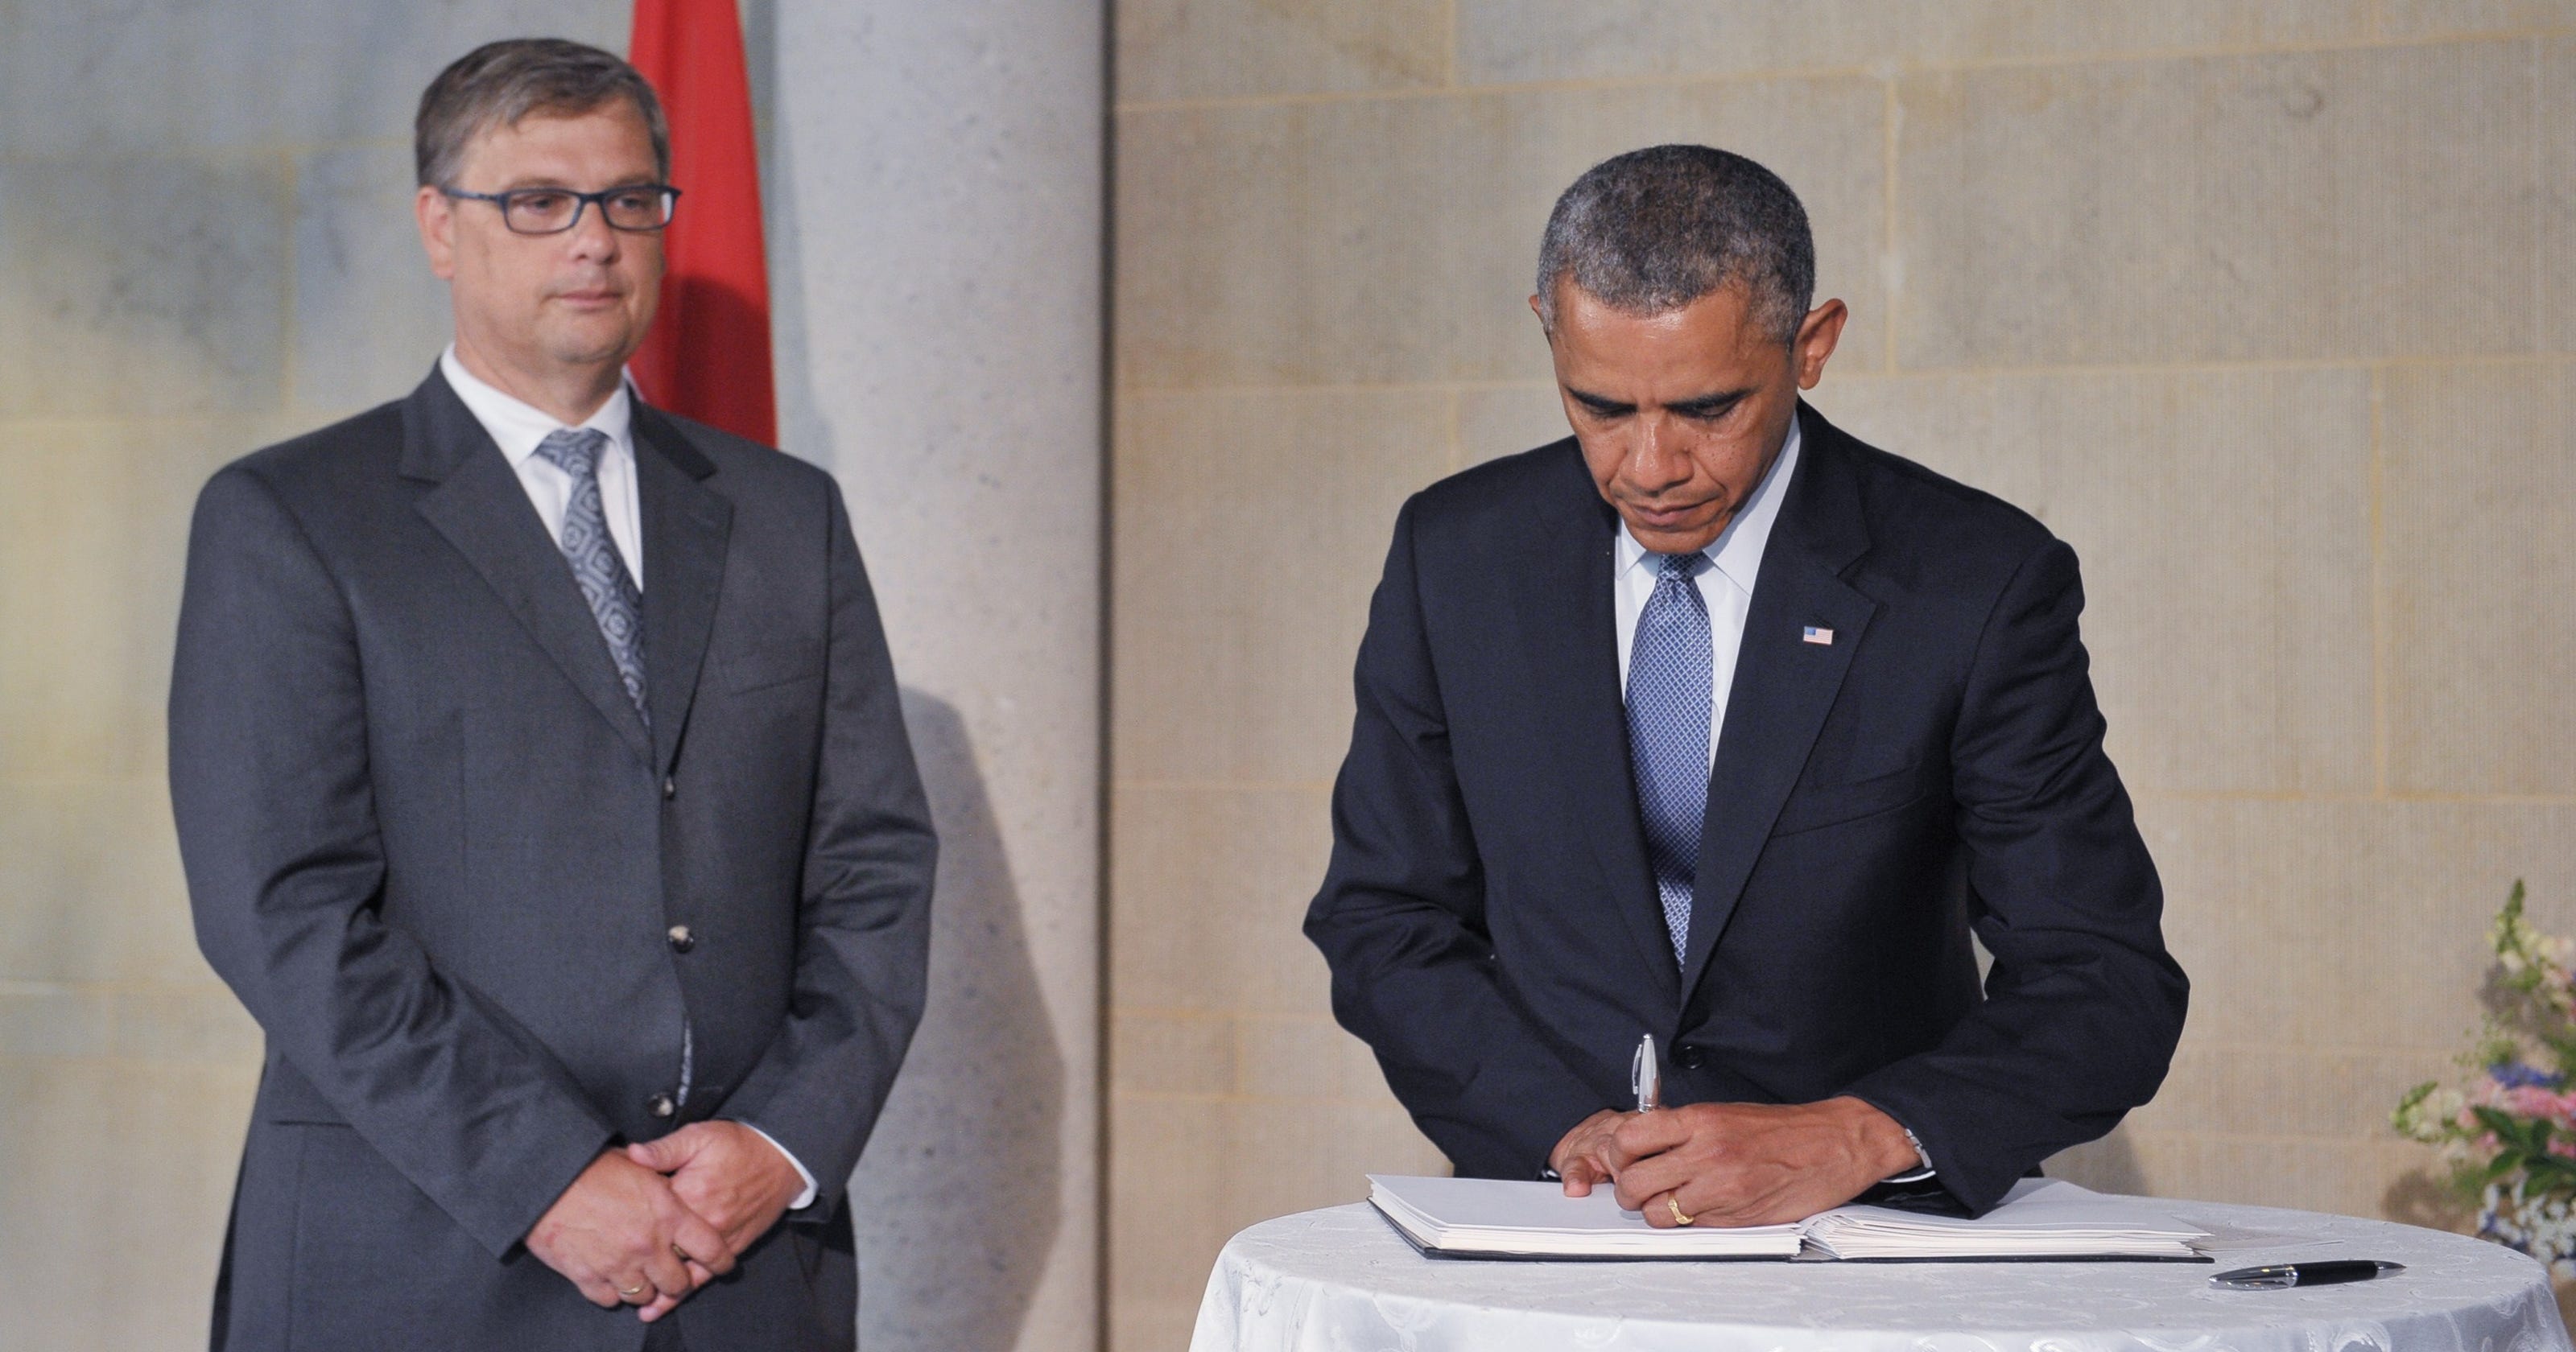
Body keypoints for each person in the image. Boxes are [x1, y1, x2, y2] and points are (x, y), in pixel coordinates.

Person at [167, 39, 935, 1350]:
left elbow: (873, 865)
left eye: (630, 199)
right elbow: (286, 909)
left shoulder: (783, 514)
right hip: (426, 1259)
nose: (593, 241)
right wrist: (547, 1176)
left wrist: (785, 1142)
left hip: (742, 1269)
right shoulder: (292, 518)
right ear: (439, 228)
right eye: (538, 201)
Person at [1305, 144, 2187, 1227]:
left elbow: (2103, 980)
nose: (1649, 466)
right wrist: (1554, 1126)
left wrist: (1863, 1134)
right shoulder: (1457, 557)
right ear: (1548, 328)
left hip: (1867, 1246)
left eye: (1707, 409)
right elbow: (1384, 917)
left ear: (1811, 346)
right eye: (1600, 407)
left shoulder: (1973, 584)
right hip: (1547, 1229)